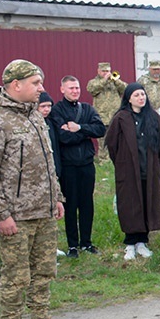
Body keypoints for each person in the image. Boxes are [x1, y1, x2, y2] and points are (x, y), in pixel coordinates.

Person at [0, 59, 75, 319]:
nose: (41, 88)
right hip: (15, 216)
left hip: (44, 210)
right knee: (16, 277)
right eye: (36, 83)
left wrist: (57, 198)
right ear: (16, 85)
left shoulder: (35, 116)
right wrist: (1, 214)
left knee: (44, 271)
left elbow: (47, 161)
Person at [105, 83, 160, 260]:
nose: (141, 98)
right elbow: (112, 145)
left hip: (149, 169)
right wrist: (122, 162)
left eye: (143, 94)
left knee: (147, 203)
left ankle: (142, 241)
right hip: (128, 170)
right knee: (130, 205)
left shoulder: (153, 117)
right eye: (136, 95)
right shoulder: (121, 118)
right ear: (128, 99)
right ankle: (130, 243)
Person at [50, 75, 106, 257]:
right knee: (71, 205)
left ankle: (86, 243)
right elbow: (63, 137)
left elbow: (100, 129)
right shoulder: (57, 111)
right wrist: (86, 132)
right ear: (62, 89)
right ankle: (73, 245)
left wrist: (79, 128)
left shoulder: (87, 108)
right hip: (69, 166)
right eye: (71, 88)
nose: (75, 91)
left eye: (77, 88)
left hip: (87, 164)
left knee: (87, 204)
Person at [37, 92, 62, 180]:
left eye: (49, 106)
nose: (46, 109)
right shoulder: (32, 124)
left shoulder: (52, 122)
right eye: (43, 106)